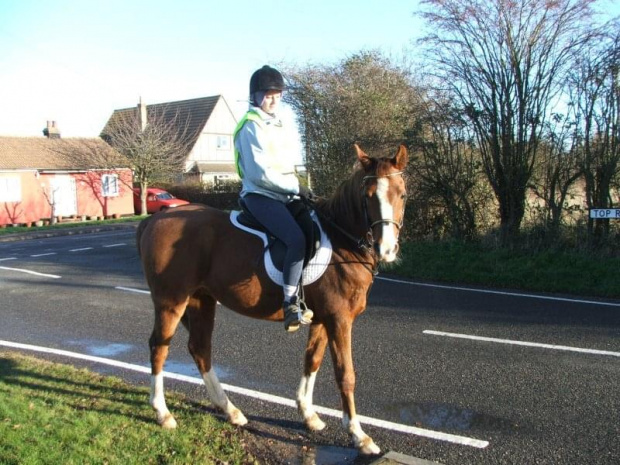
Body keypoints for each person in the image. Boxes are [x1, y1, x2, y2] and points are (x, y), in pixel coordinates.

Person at [233, 65, 314, 333]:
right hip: (259, 195)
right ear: (255, 96)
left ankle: (306, 295)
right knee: (296, 239)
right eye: (268, 94)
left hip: (283, 194)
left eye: (277, 94)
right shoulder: (251, 126)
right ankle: (290, 304)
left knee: (315, 228)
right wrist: (296, 188)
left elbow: (286, 165)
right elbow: (261, 174)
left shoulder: (277, 124)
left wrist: (300, 188)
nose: (273, 99)